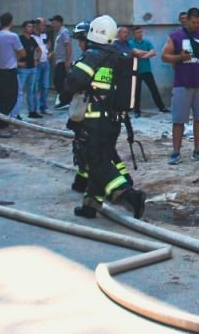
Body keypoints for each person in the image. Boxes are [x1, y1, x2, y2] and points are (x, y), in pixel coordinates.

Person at [62, 15, 146, 219]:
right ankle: (91, 205)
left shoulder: (92, 55)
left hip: (94, 120)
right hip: (114, 120)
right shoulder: (117, 56)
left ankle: (130, 195)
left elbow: (73, 82)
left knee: (96, 162)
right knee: (102, 158)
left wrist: (72, 72)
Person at [161, 8, 199, 165]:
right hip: (182, 83)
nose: (196, 25)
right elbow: (164, 56)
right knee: (178, 120)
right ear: (187, 20)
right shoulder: (175, 36)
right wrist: (180, 57)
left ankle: (198, 151)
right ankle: (176, 152)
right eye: (193, 22)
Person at [66, 21, 91, 192]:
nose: (79, 44)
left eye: (80, 41)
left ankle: (86, 184)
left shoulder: (90, 58)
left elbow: (73, 83)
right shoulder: (103, 56)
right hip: (94, 113)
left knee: (85, 148)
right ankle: (82, 181)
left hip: (87, 113)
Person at [0, 13, 21, 137]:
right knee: (11, 98)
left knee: (3, 98)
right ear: (11, 22)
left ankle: (4, 124)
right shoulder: (12, 36)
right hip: (9, 70)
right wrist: (16, 57)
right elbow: (22, 52)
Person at [129, 25, 166, 115]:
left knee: (154, 89)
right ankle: (137, 110)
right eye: (137, 33)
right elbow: (135, 52)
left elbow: (153, 52)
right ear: (133, 34)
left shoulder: (146, 42)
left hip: (146, 70)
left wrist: (143, 56)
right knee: (136, 92)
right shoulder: (130, 43)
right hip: (136, 70)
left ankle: (161, 107)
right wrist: (147, 53)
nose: (140, 34)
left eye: (141, 32)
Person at [15, 19, 40, 119]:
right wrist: (18, 63)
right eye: (29, 27)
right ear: (24, 28)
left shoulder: (32, 39)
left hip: (32, 68)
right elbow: (14, 52)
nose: (31, 28)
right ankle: (16, 113)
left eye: (32, 27)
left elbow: (39, 50)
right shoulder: (19, 39)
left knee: (32, 90)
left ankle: (32, 111)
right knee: (19, 92)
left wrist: (37, 60)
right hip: (23, 69)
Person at [50, 15, 73, 109]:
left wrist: (67, 61)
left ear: (59, 22)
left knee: (58, 81)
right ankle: (65, 100)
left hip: (63, 61)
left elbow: (68, 45)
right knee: (58, 81)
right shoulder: (59, 33)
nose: (52, 24)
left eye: (53, 22)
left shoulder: (64, 32)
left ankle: (65, 100)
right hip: (59, 61)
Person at [34, 17, 51, 115]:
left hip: (45, 63)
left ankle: (43, 107)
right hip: (37, 64)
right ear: (37, 25)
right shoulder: (32, 36)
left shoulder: (45, 35)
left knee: (45, 86)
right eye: (43, 24)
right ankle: (34, 108)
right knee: (35, 87)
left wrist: (47, 51)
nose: (44, 26)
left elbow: (48, 43)